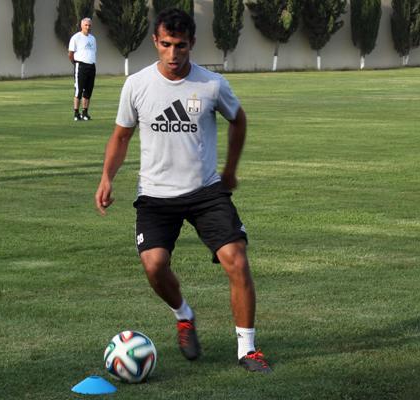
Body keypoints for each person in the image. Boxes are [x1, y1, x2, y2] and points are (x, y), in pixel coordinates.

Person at [94, 8, 271, 373]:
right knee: (154, 266)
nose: (173, 54)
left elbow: (238, 120)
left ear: (192, 44)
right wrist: (107, 177)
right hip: (155, 195)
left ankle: (247, 350)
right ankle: (183, 315)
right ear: (155, 42)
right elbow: (121, 136)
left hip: (206, 192)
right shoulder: (137, 85)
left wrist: (230, 171)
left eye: (181, 46)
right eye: (166, 45)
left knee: (237, 260)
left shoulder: (212, 85)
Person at [68, 17, 96, 121]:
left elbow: (93, 52)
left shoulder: (92, 39)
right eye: (86, 25)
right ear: (81, 26)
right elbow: (70, 53)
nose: (88, 27)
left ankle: (85, 113)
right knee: (79, 90)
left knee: (88, 90)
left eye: (89, 25)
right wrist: (75, 63)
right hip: (81, 66)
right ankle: (76, 113)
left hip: (91, 66)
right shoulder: (76, 38)